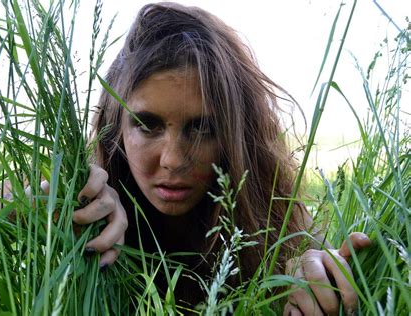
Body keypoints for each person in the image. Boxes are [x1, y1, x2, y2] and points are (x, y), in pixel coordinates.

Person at [72, 2, 370, 314]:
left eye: (202, 128)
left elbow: (313, 261)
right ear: (115, 128)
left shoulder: (275, 221)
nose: (173, 160)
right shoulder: (89, 198)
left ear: (236, 136)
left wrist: (316, 274)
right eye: (148, 125)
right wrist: (44, 209)